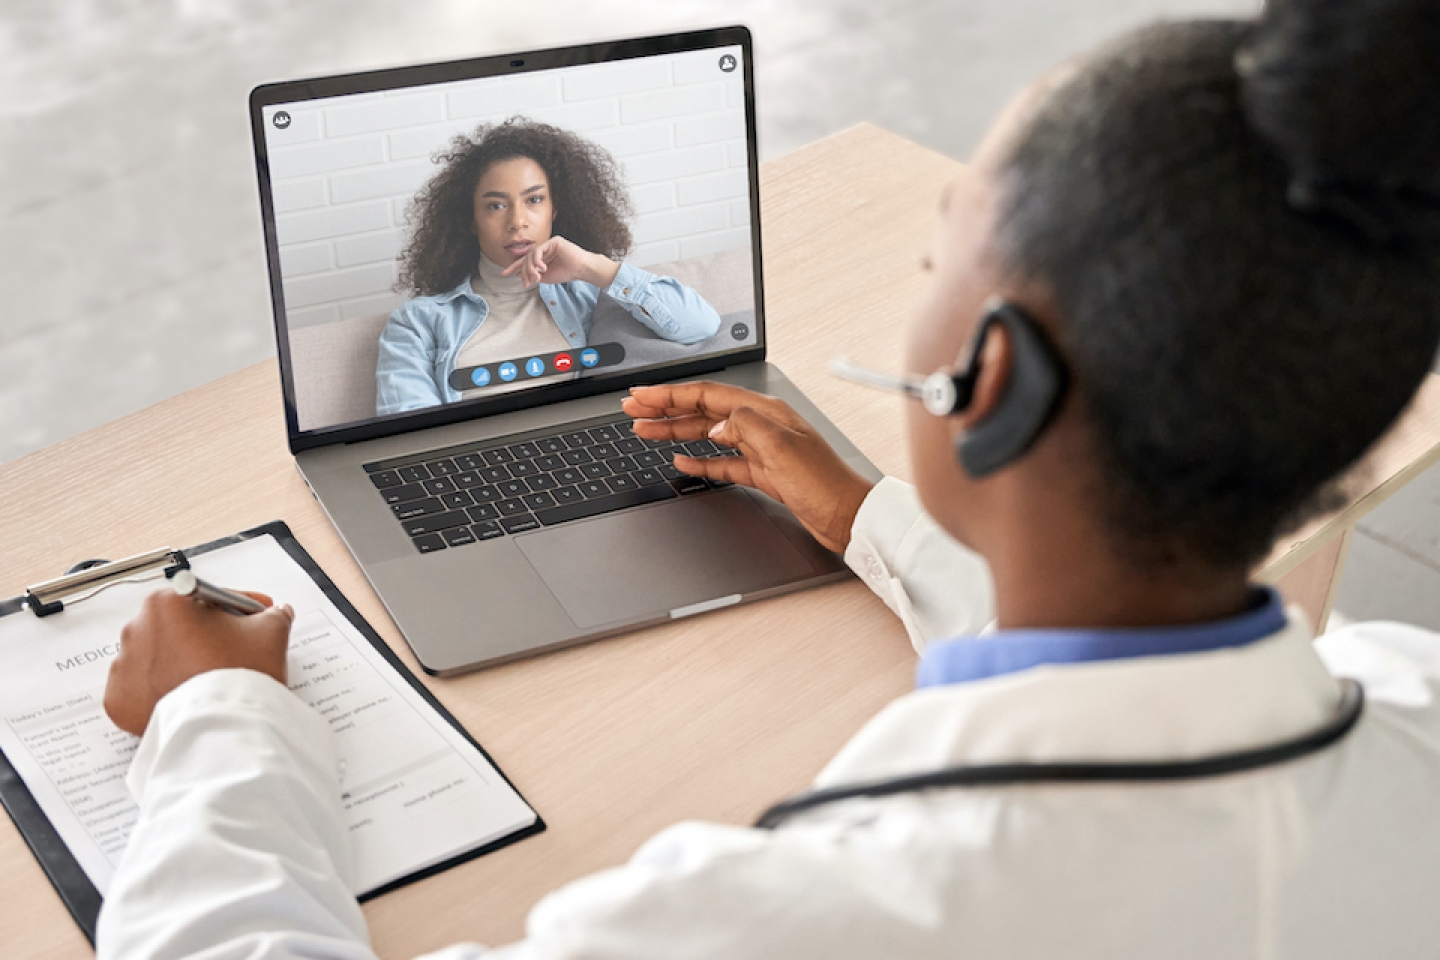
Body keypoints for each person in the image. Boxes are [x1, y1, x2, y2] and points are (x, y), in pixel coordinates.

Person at [99, 0, 1440, 956]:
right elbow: (1124, 684)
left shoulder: (786, 917)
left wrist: (219, 724)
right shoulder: (1409, 703)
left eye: (933, 260)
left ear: (987, 385)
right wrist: (869, 518)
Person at [375, 118, 722, 415]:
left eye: (534, 200)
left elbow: (702, 326)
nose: (518, 221)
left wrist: (593, 267)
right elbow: (409, 437)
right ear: (470, 220)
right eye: (496, 206)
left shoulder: (592, 292)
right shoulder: (417, 324)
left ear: (556, 209)